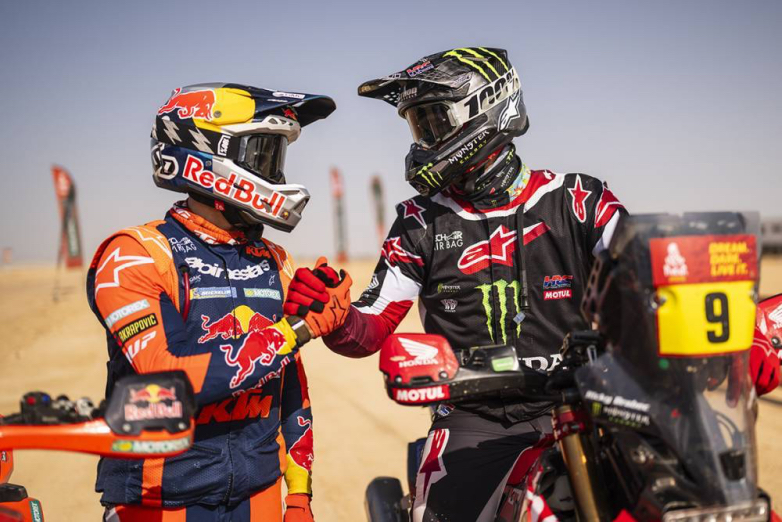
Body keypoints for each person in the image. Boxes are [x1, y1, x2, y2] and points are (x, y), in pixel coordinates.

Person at [282, 48, 779, 521]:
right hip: (477, 419)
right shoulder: (419, 222)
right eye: (418, 126)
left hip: (595, 404)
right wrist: (335, 315)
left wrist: (737, 338)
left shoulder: (580, 200)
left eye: (434, 121)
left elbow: (653, 286)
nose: (424, 141)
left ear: (485, 109)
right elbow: (368, 328)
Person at [86, 83, 350, 522]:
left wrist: (299, 495)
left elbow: (291, 386)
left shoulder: (274, 259)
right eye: (262, 153)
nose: (274, 173)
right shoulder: (135, 254)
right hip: (159, 501)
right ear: (206, 155)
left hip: (259, 494)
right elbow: (165, 380)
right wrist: (296, 330)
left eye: (276, 157)